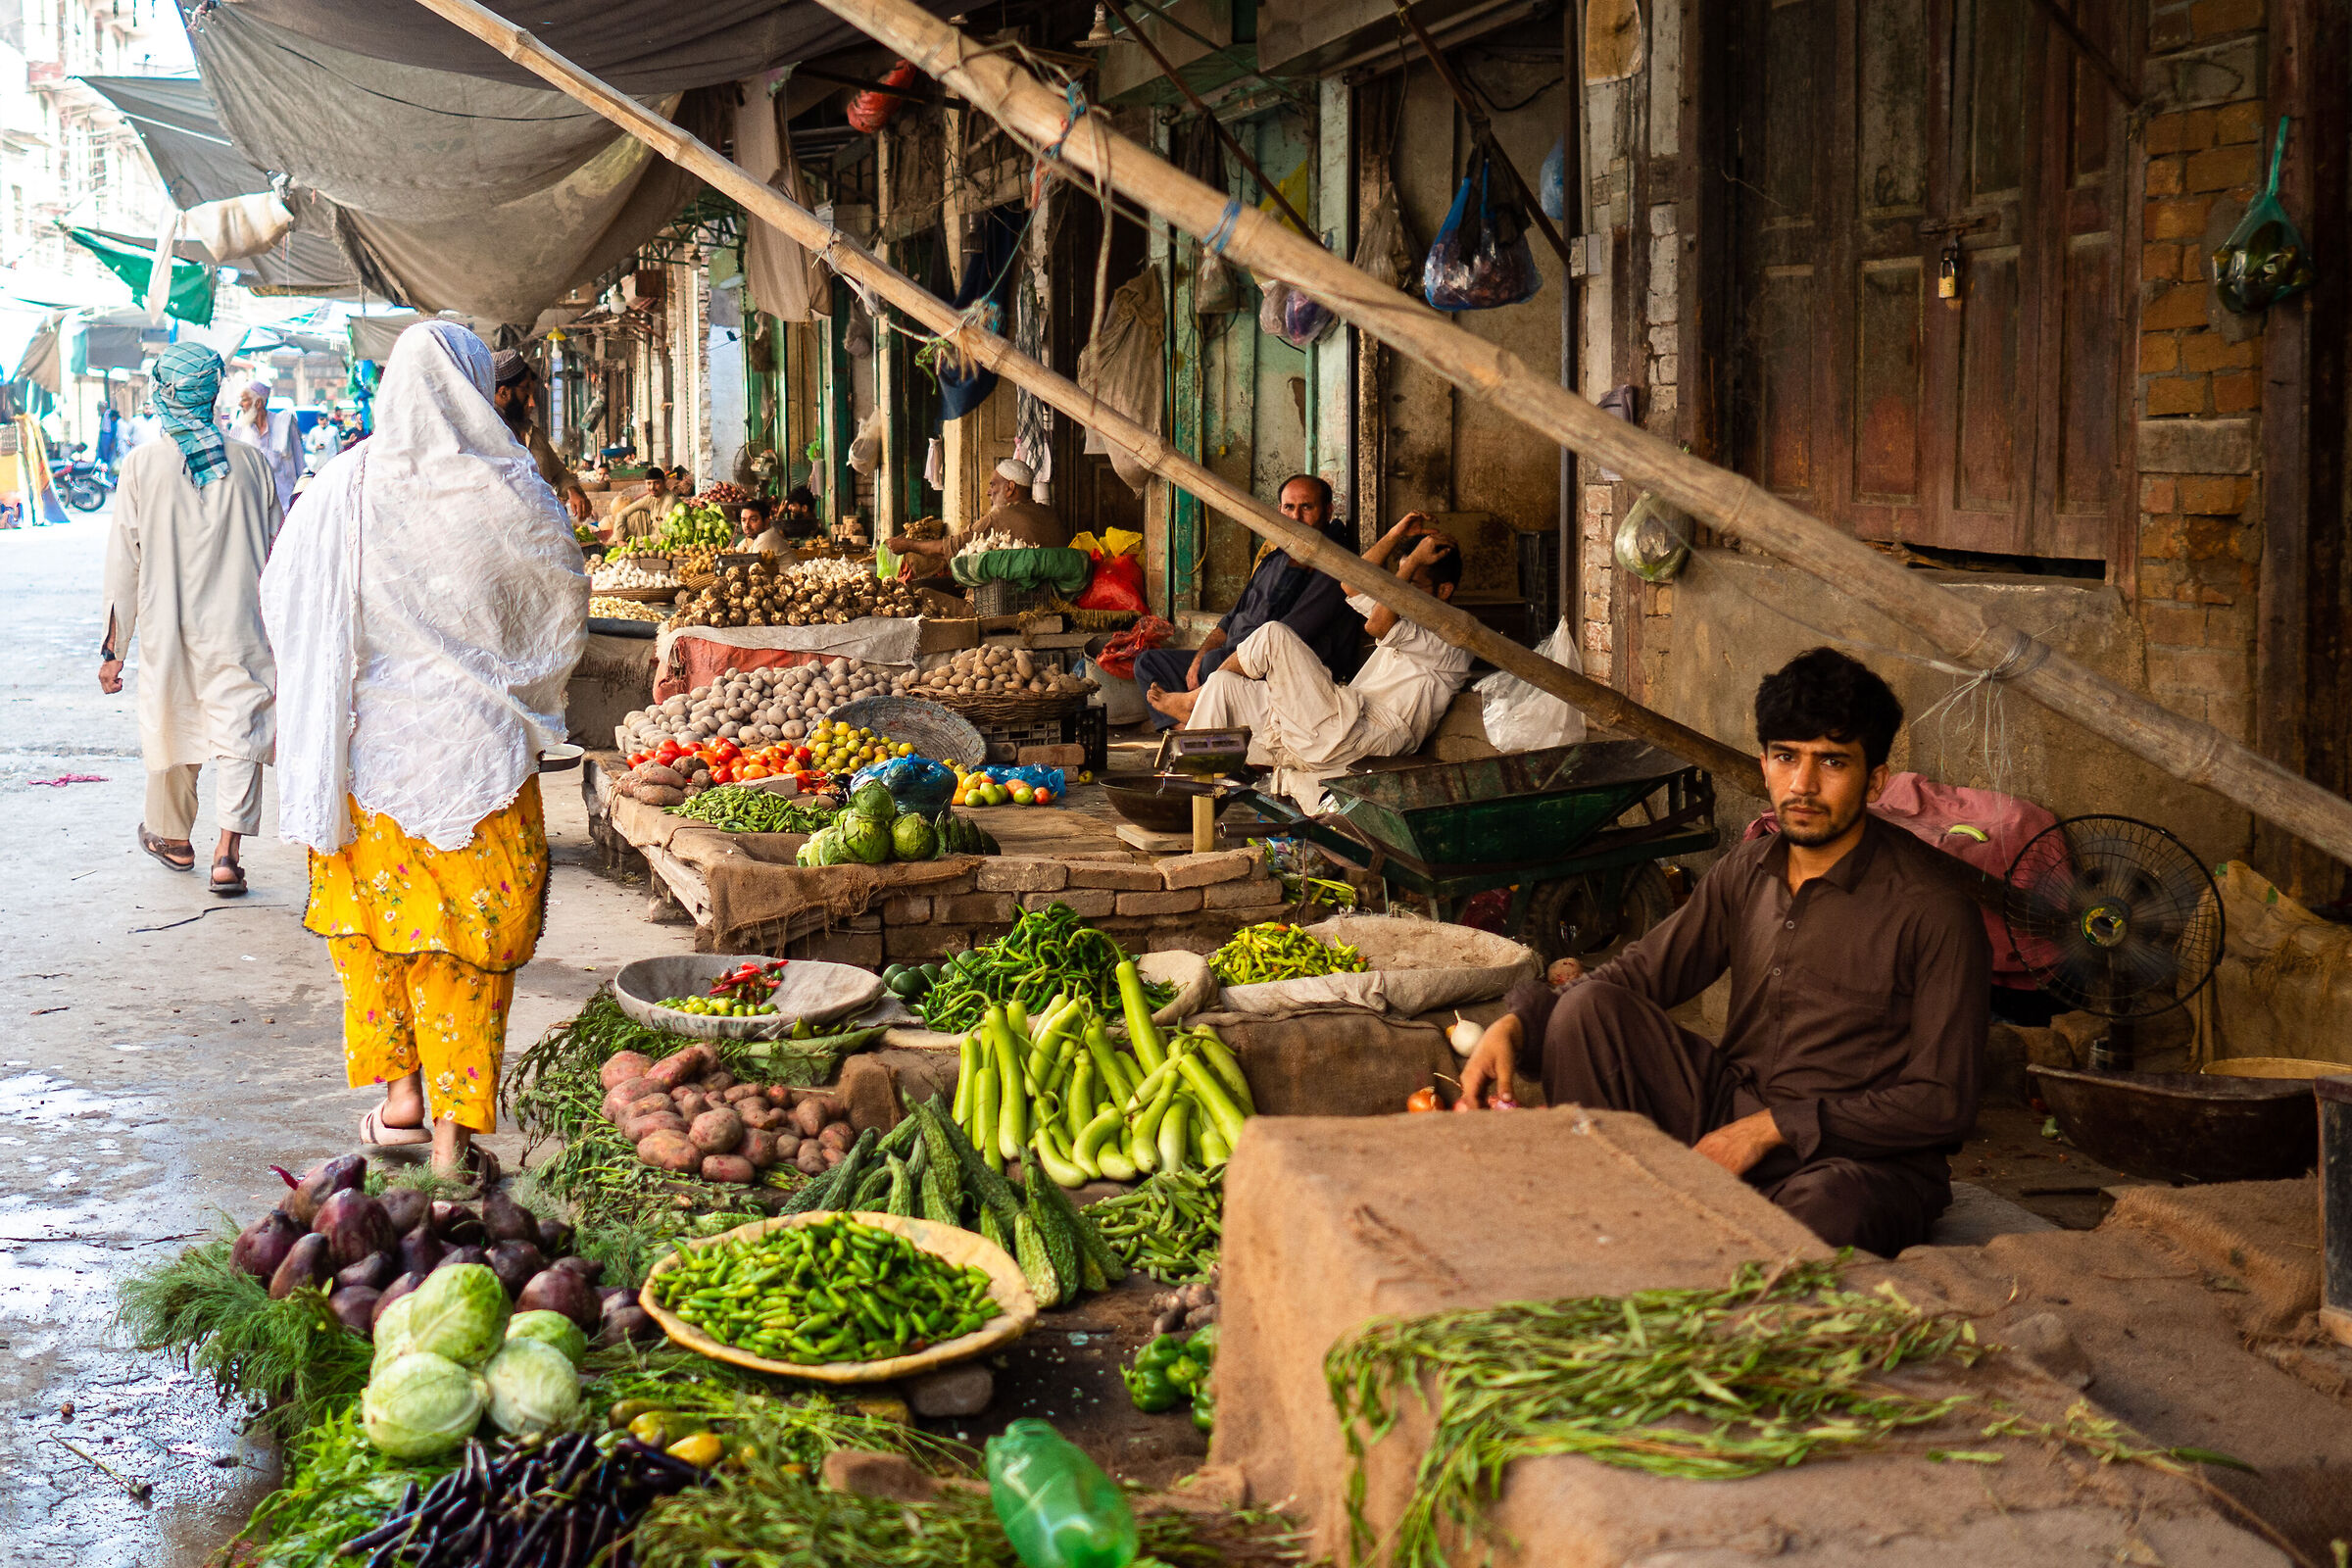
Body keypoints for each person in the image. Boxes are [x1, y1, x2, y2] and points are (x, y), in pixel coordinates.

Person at [1453, 649, 1989, 1256]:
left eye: (1831, 763)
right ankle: (1607, 1221)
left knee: (1830, 1212)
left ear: (1875, 780)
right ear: (1764, 764)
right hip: (1726, 1109)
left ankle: (1685, 1239)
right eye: (1787, 758)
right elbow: (1638, 977)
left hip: (1852, 1161)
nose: (1803, 785)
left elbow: (1943, 1102)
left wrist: (1770, 1129)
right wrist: (1517, 1023)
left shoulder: (1933, 909)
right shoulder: (1747, 870)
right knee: (1589, 1010)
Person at [261, 322, 589, 1178]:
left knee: (377, 934)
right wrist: (514, 685)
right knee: (469, 951)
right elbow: (561, 602)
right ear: (478, 387)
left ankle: (402, 1099)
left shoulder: (340, 489)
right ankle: (450, 1144)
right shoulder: (512, 491)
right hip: (476, 765)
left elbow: (284, 598)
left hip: (369, 764)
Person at [97, 344, 280, 897]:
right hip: (241, 625)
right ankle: (228, 853)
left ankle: (174, 839)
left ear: (163, 392)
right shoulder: (251, 463)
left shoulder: (141, 465)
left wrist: (114, 650)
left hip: (167, 625)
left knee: (173, 720)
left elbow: (123, 566)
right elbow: (279, 555)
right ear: (213, 392)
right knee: (238, 731)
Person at [1149, 513, 1470, 808]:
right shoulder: (1406, 615)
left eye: (1413, 581)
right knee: (1223, 685)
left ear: (1444, 591)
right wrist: (1396, 535)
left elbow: (1378, 624)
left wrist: (1411, 560)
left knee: (1274, 635)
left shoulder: (1452, 637)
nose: (1404, 590)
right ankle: (1181, 800)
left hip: (1368, 738)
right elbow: (1352, 584)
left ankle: (1192, 702)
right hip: (1342, 723)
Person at [1131, 475, 1364, 730]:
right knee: (1149, 663)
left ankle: (1198, 719)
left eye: (1307, 507)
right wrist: (1200, 654)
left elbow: (1289, 634)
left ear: (1328, 511)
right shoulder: (1275, 558)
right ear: (1279, 511)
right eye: (1289, 507)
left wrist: (1225, 659)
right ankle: (1188, 727)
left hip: (1281, 666)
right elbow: (1232, 617)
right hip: (1233, 654)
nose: (1296, 517)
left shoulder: (1333, 565)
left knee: (1215, 664)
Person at [887, 457, 1067, 584]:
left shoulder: (1000, 517)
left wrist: (907, 545)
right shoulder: (1050, 513)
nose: (989, 492)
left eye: (993, 485)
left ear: (1010, 488)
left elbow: (949, 549)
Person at [489, 351, 591, 521]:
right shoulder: (487, 436)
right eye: (525, 394)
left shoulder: (533, 434)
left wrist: (573, 491)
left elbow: (558, 472)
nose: (532, 403)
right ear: (504, 392)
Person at [228, 377, 304, 514]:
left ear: (258, 403)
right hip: (254, 505)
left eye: (244, 400)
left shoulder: (285, 424)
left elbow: (299, 463)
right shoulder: (238, 429)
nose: (240, 404)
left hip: (285, 504)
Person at [606, 466, 674, 542]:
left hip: (662, 540)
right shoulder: (650, 498)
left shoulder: (669, 501)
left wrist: (634, 541)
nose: (652, 487)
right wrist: (619, 539)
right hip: (650, 534)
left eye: (656, 483)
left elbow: (665, 536)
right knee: (634, 516)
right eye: (649, 483)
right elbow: (622, 513)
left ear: (664, 482)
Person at [303, 407, 343, 474]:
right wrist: (316, 447)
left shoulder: (334, 429)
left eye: (324, 420)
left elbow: (339, 446)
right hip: (319, 461)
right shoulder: (314, 430)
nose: (323, 422)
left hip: (332, 461)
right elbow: (308, 445)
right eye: (321, 420)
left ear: (327, 420)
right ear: (318, 420)